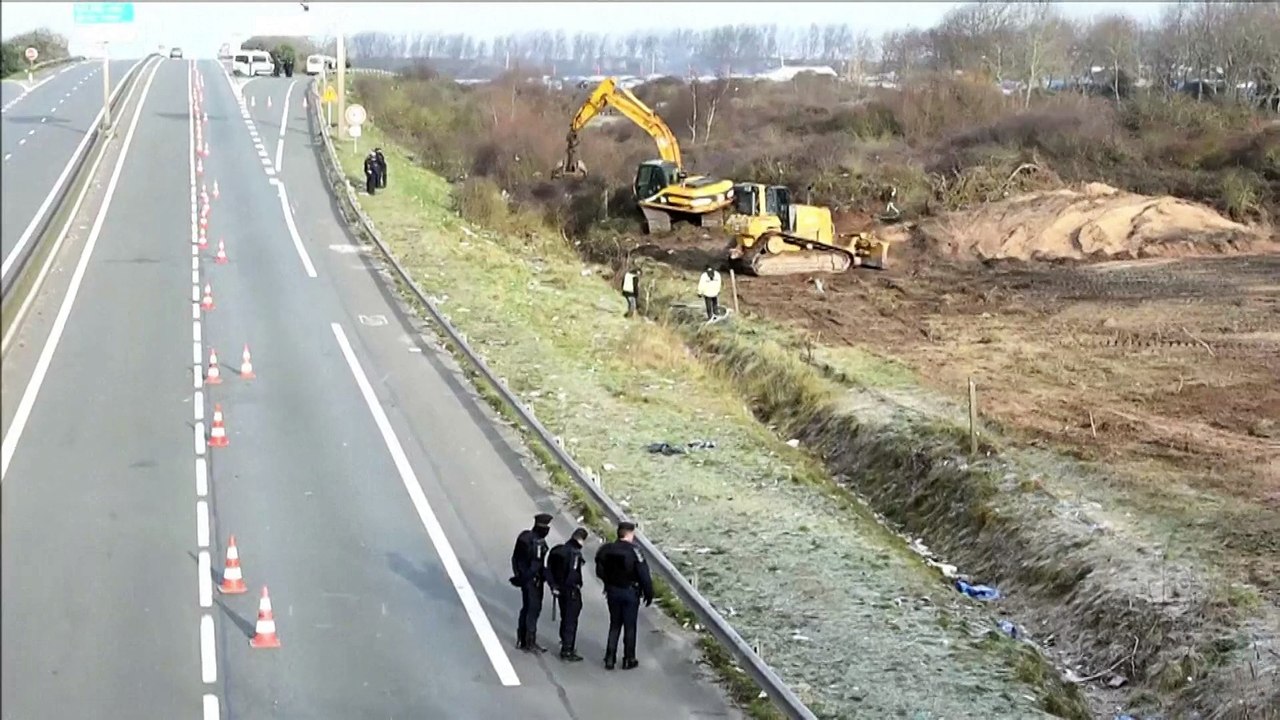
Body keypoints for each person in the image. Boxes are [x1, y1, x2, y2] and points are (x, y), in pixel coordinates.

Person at [594, 521, 653, 670]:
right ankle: (629, 658)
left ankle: (609, 658)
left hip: (613, 591)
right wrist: (648, 593)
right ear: (630, 534)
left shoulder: (606, 549)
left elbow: (599, 571)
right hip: (630, 592)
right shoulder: (635, 551)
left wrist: (609, 583)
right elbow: (643, 574)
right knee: (629, 626)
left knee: (614, 624)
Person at [510, 512, 553, 652]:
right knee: (533, 610)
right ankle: (529, 641)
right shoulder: (538, 543)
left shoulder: (524, 536)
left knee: (526, 609)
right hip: (533, 581)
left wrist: (518, 577)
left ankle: (522, 639)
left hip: (524, 579)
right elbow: (537, 565)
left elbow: (515, 558)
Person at [546, 527, 588, 662]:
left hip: (559, 589)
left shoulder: (557, 550)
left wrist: (553, 586)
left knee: (564, 617)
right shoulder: (575, 554)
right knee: (571, 620)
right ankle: (567, 649)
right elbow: (573, 573)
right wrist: (575, 586)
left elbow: (549, 569)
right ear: (581, 540)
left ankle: (564, 641)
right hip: (571, 591)